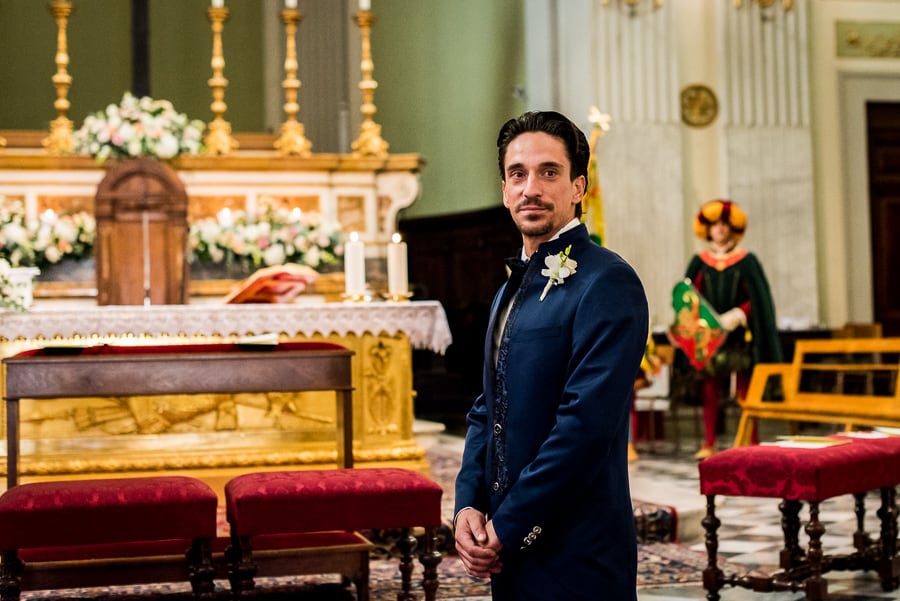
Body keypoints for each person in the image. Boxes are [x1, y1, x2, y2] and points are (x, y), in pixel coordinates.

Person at [453, 110, 649, 600]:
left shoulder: (607, 281)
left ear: (579, 187)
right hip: (506, 543)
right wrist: (468, 507)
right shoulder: (509, 288)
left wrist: (511, 524)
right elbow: (487, 406)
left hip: (575, 547)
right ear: (503, 190)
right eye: (517, 174)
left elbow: (585, 427)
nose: (530, 188)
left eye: (549, 172)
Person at [683, 199, 782, 460]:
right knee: (709, 388)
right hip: (710, 337)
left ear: (732, 228)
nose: (720, 229)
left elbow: (758, 300)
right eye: (715, 225)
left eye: (724, 224)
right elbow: (688, 297)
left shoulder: (747, 261)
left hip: (739, 336)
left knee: (746, 389)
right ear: (708, 229)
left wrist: (739, 315)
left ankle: (751, 440)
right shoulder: (699, 262)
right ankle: (709, 442)